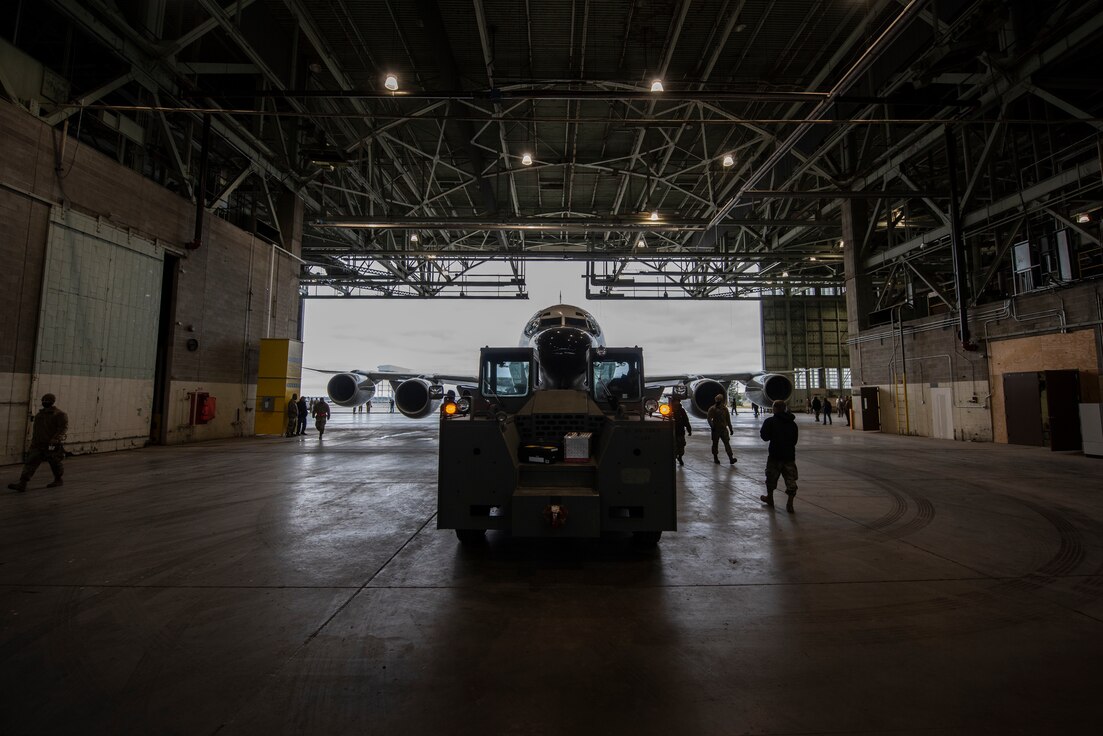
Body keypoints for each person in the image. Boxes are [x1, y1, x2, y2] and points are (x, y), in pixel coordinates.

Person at [8, 393, 68, 492]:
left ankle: (58, 479)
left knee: (55, 463)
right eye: (43, 400)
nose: (44, 402)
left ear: (52, 401)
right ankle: (22, 483)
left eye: (47, 400)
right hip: (38, 444)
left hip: (51, 444)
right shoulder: (40, 414)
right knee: (30, 463)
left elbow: (63, 428)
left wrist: (55, 439)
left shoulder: (59, 414)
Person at [760, 399, 799, 512]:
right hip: (789, 456)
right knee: (791, 481)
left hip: (775, 456)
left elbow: (764, 437)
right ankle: (790, 503)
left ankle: (770, 498)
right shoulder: (792, 423)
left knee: (771, 479)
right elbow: (794, 441)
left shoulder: (770, 421)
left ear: (775, 409)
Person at [706, 393, 736, 465]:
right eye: (717, 400)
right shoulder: (712, 409)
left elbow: (728, 420)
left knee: (727, 444)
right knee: (715, 444)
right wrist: (712, 426)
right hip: (716, 429)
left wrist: (730, 428)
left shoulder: (724, 409)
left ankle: (731, 458)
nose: (718, 401)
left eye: (719, 400)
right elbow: (709, 418)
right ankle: (715, 457)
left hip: (723, 429)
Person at [671, 399, 692, 466]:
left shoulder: (681, 410)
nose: (677, 402)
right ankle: (673, 459)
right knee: (672, 447)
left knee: (681, 447)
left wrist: (689, 429)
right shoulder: (669, 410)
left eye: (678, 401)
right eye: (676, 401)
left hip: (680, 432)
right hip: (671, 433)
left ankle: (680, 457)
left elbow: (686, 420)